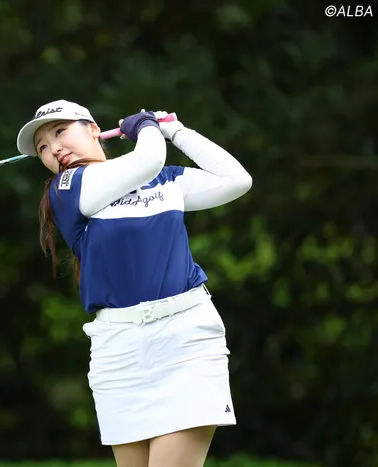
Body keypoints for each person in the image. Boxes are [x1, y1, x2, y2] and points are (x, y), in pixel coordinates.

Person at [16, 100, 253, 467]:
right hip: (120, 352)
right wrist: (146, 127)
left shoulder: (165, 181)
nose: (54, 149)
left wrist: (175, 131)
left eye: (60, 132)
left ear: (93, 129)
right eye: (43, 147)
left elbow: (236, 180)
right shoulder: (66, 188)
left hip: (186, 340)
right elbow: (148, 159)